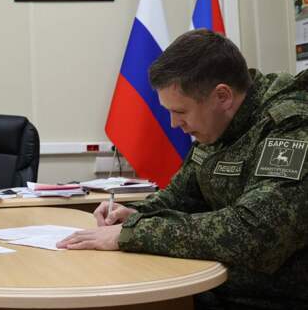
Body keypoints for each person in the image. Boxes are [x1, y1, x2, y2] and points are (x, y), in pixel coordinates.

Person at [58, 30, 308, 309]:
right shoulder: (217, 124)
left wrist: (134, 233)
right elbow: (180, 196)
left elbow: (255, 234)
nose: (174, 124)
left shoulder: (291, 126)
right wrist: (134, 214)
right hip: (214, 286)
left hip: (270, 300)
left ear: (222, 96)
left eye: (180, 112)